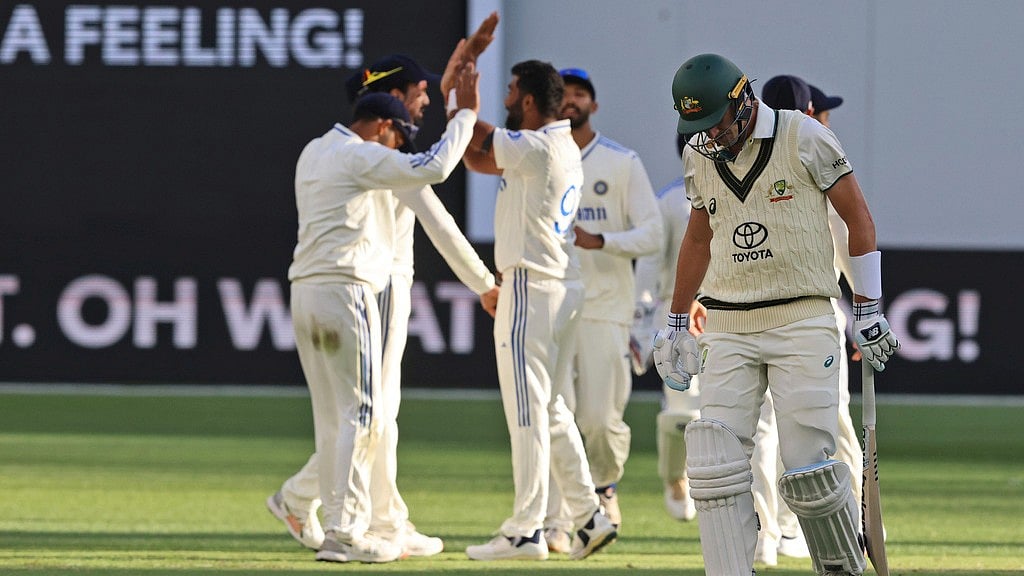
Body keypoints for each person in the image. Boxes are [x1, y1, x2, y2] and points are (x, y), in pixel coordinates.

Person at [654, 53, 899, 575]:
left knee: (810, 468)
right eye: (698, 125)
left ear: (743, 100)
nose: (710, 134)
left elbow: (859, 219)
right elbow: (699, 238)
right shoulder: (700, 153)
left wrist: (869, 308)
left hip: (802, 320)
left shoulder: (804, 136)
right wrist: (676, 322)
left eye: (715, 120)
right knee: (715, 468)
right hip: (727, 325)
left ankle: (840, 570)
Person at [267, 34, 501, 559]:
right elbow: (437, 200)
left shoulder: (320, 150)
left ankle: (380, 517)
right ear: (384, 117)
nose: (419, 113)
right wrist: (463, 112)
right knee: (367, 414)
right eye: (416, 100)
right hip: (363, 289)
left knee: (357, 416)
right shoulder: (369, 156)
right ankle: (347, 528)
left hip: (315, 287)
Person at [457, 56, 617, 561]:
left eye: (509, 91)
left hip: (532, 286)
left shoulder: (537, 146)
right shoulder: (557, 145)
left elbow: (472, 131)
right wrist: (462, 114)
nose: (504, 99)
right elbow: (474, 156)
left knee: (527, 412)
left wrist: (460, 95)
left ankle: (525, 530)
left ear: (527, 100)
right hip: (561, 286)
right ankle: (589, 516)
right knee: (550, 409)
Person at [540, 67, 662, 552]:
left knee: (597, 418)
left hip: (607, 309)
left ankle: (604, 485)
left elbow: (654, 234)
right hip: (553, 303)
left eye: (579, 94)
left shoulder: (620, 161)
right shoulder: (541, 155)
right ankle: (558, 519)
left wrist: (603, 240)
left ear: (593, 103)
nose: (571, 101)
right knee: (555, 412)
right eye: (564, 94)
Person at [752, 74, 863, 566]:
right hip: (809, 318)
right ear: (811, 113)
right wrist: (865, 309)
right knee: (828, 430)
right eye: (823, 113)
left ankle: (774, 534)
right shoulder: (818, 161)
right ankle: (847, 528)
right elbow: (849, 239)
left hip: (755, 319)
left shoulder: (750, 160)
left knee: (768, 431)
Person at [632, 133, 701, 522]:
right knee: (682, 411)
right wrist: (640, 327)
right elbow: (648, 265)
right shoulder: (671, 200)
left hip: (729, 317)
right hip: (676, 319)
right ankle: (676, 478)